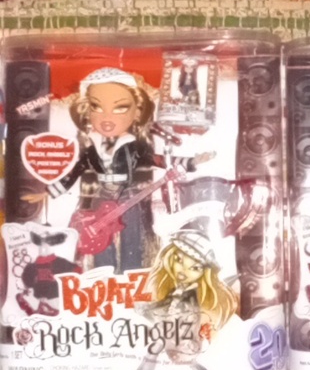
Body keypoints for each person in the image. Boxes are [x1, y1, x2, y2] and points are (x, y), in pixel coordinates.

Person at [25, 67, 196, 272]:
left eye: (120, 108)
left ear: (137, 111)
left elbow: (158, 160)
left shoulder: (134, 147)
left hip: (129, 197)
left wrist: (189, 163)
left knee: (132, 239)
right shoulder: (92, 149)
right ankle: (102, 275)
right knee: (100, 240)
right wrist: (47, 192)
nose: (107, 117)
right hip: (102, 196)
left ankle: (131, 275)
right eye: (96, 107)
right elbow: (73, 173)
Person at [134, 230, 238, 370]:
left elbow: (192, 319)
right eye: (179, 260)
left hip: (185, 342)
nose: (183, 271)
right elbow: (163, 307)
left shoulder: (195, 297)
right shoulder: (173, 289)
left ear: (205, 272)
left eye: (195, 268)